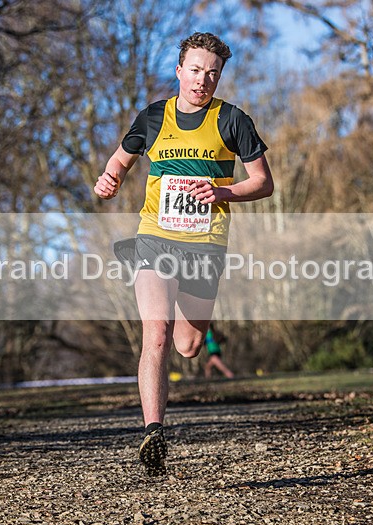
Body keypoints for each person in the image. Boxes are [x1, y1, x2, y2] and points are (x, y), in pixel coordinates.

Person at [94, 32, 273, 475]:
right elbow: (119, 161)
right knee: (155, 333)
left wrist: (222, 191)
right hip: (154, 237)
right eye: (195, 70)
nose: (203, 80)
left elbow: (263, 182)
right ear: (179, 71)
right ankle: (153, 431)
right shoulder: (153, 118)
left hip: (205, 243)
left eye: (212, 73)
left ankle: (182, 328)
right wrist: (108, 180)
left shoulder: (233, 120)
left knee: (188, 345)